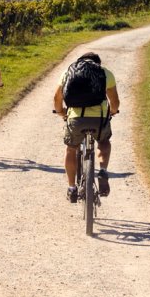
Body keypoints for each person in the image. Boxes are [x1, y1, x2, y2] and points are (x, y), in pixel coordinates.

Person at [53, 52, 119, 203]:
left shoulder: (68, 72)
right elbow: (114, 101)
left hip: (76, 118)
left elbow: (57, 98)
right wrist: (113, 112)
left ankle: (72, 188)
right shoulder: (105, 73)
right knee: (103, 142)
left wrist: (61, 112)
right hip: (99, 119)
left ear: (80, 62)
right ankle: (102, 171)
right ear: (97, 63)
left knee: (71, 149)